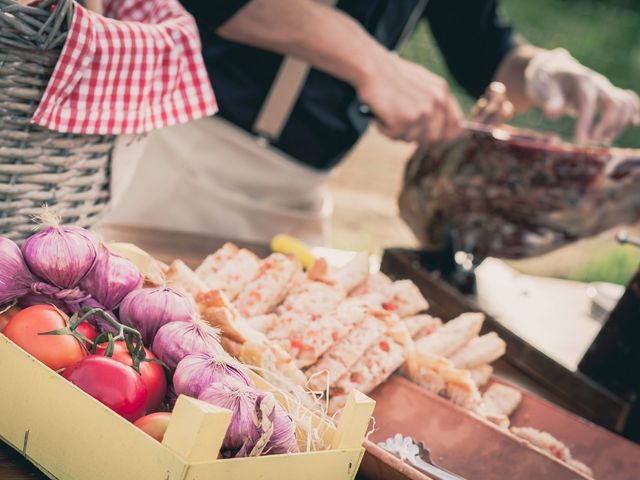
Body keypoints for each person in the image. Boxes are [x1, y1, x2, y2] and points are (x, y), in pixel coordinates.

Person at [109, 0, 640, 244]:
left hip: (301, 200)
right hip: (174, 155)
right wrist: (370, 60)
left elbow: (483, 50)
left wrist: (543, 70)